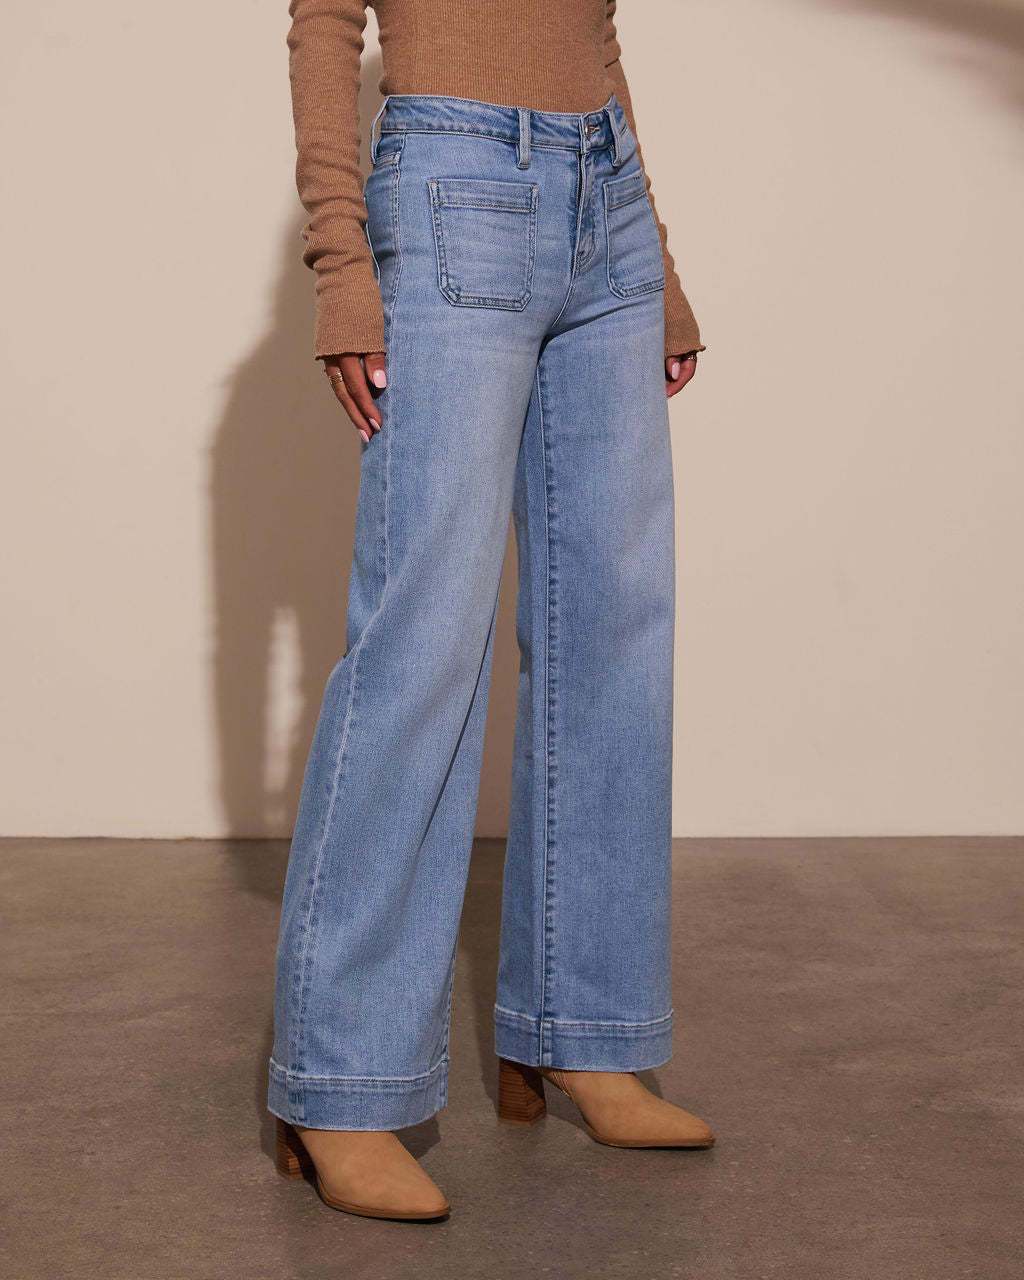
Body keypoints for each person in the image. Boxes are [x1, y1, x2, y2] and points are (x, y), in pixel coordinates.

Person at [268, 0, 714, 1221]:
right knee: (424, 639)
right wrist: (343, 268)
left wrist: (658, 266)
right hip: (452, 184)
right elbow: (323, 24)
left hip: (607, 206)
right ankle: (339, 1084)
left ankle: (582, 1031)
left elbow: (594, 37)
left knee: (615, 633)